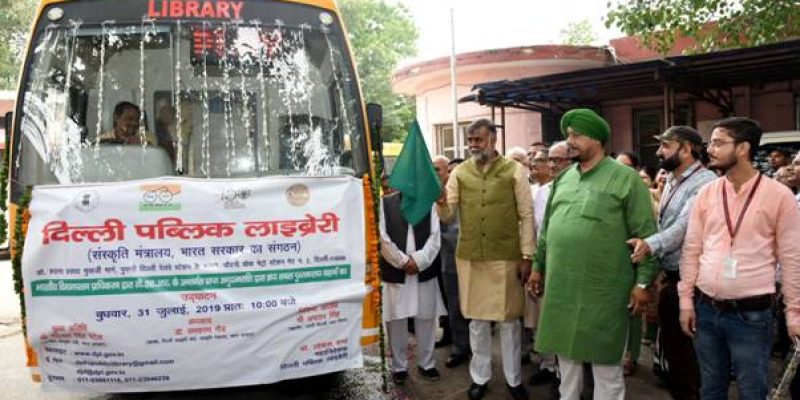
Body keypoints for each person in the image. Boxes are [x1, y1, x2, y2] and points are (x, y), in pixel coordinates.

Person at [528, 109, 658, 400]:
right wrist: (538, 267)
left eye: (577, 135)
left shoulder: (626, 179)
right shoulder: (563, 179)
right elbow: (547, 229)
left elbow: (646, 236)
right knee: (567, 366)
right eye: (568, 135)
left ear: (597, 139)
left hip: (605, 291)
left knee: (606, 369)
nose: (569, 141)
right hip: (562, 289)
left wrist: (641, 284)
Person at [678, 117, 800, 400]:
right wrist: (686, 301)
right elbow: (692, 248)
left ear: (743, 148)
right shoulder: (707, 193)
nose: (711, 149)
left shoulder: (778, 196)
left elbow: (792, 259)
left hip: (751, 314)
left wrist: (794, 314)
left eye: (719, 143)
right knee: (711, 387)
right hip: (706, 309)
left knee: (752, 389)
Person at [437, 119, 534, 400]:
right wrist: (441, 200)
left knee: (508, 322)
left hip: (506, 257)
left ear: (492, 140)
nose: (473, 145)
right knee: (477, 321)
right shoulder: (460, 173)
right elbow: (448, 215)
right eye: (470, 140)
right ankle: (479, 378)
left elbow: (526, 215)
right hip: (471, 258)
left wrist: (527, 255)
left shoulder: (514, 170)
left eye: (478, 140)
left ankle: (514, 380)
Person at [627, 126, 716, 400]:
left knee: (691, 359)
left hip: (695, 284)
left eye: (665, 146)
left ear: (687, 149)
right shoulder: (674, 179)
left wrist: (651, 244)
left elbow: (683, 228)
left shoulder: (705, 182)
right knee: (676, 356)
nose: (658, 152)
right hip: (673, 278)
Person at [379, 190, 445, 385]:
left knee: (426, 317)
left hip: (423, 268)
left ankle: (427, 363)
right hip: (395, 270)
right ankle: (399, 366)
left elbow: (435, 237)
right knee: (396, 319)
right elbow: (382, 237)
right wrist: (402, 261)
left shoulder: (428, 201)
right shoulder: (385, 203)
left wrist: (418, 261)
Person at [527, 141, 572, 390]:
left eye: (559, 160)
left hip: (568, 265)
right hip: (543, 262)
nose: (554, 165)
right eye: (550, 160)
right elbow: (538, 230)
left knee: (566, 322)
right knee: (544, 319)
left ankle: (566, 378)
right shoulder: (542, 191)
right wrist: (536, 265)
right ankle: (548, 366)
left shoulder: (579, 188)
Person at [432, 155, 471, 368]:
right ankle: (454, 341)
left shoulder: (460, 194)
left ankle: (464, 347)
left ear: (449, 171)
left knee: (461, 305)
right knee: (448, 304)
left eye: (438, 169)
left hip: (457, 258)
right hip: (436, 262)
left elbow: (457, 229)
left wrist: (436, 235)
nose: (434, 174)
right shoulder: (430, 194)